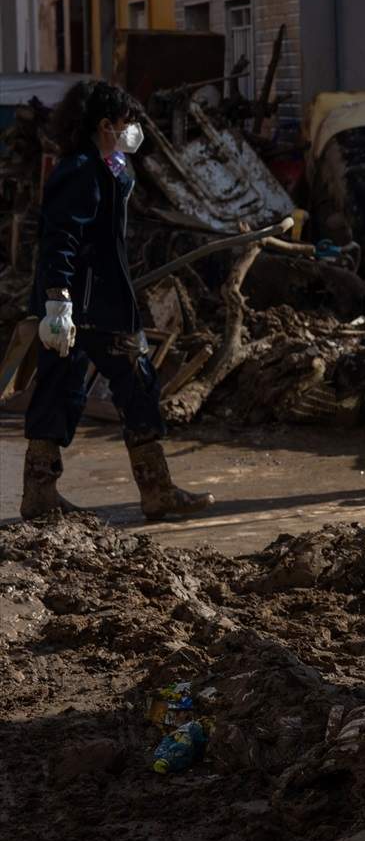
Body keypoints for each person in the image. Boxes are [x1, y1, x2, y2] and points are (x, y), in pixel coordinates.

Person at [20, 80, 213, 521]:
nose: (133, 131)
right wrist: (57, 303)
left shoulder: (109, 166)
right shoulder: (79, 171)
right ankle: (40, 494)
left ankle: (156, 490)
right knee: (63, 392)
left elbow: (116, 198)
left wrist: (120, 165)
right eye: (126, 124)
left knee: (137, 385)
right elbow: (59, 241)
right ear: (105, 125)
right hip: (79, 307)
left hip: (104, 302)